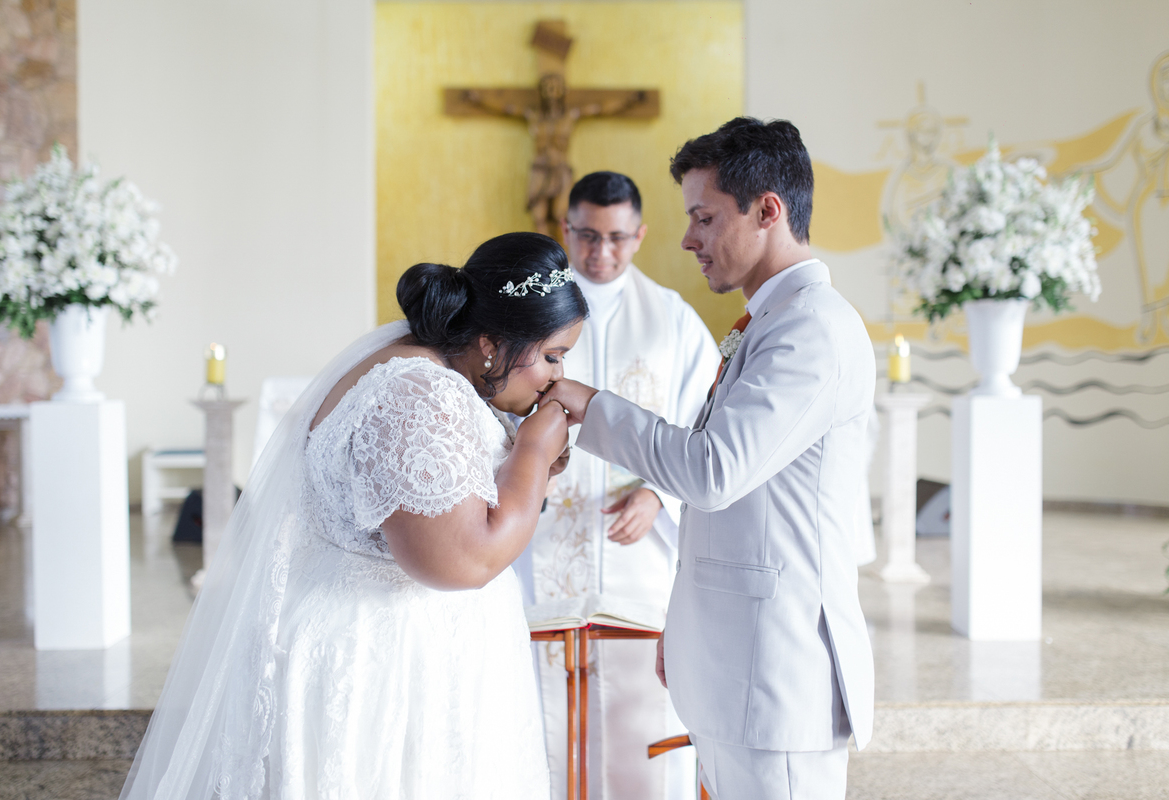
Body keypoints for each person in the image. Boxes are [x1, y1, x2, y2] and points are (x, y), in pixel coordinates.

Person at [121, 232, 587, 799]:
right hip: (383, 666)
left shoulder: (425, 364)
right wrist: (534, 447)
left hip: (407, 649)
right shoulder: (420, 392)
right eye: (552, 356)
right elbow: (463, 559)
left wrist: (526, 460)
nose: (557, 377)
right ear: (491, 343)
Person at [543, 119, 876, 799]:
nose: (689, 238)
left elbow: (713, 472)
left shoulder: (810, 330)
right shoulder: (772, 321)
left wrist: (590, 405)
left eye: (704, 217)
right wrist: (689, 625)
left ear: (768, 210)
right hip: (743, 668)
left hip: (778, 678)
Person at [514, 171, 720, 800]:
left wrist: (660, 493)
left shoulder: (672, 319)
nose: (601, 252)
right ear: (566, 229)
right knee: (541, 720)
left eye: (617, 238)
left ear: (640, 234)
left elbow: (705, 423)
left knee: (638, 720)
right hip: (543, 544)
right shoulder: (533, 314)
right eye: (587, 235)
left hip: (639, 556)